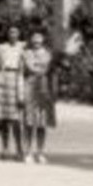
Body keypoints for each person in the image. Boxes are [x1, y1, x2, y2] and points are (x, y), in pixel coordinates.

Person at [0, 23, 27, 161]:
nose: (13, 35)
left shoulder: (23, 47)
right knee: (5, 119)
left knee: (17, 119)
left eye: (15, 32)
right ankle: (5, 148)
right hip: (4, 79)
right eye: (11, 32)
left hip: (17, 79)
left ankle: (19, 149)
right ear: (8, 34)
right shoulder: (1, 48)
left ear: (19, 34)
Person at [21, 29, 57, 164]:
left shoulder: (48, 54)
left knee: (42, 123)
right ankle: (27, 151)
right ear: (31, 41)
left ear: (42, 41)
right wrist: (39, 68)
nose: (36, 43)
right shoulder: (26, 54)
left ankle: (40, 152)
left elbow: (48, 70)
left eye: (39, 41)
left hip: (44, 88)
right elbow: (28, 68)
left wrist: (53, 92)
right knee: (29, 122)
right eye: (34, 41)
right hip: (29, 87)